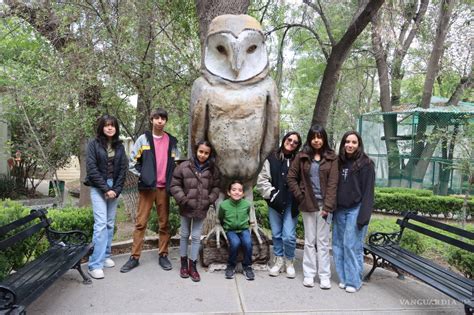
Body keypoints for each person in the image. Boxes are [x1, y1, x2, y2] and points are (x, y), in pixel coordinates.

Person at [120, 108, 178, 273]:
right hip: (147, 188)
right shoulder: (143, 139)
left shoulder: (172, 141)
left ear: (166, 121)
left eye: (163, 118)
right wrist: (144, 176)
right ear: (152, 119)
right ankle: (134, 257)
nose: (160, 121)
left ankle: (163, 255)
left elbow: (175, 164)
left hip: (163, 189)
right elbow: (133, 162)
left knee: (164, 224)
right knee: (140, 223)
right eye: (157, 118)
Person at [287, 125, 338, 289]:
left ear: (324, 138)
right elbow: (291, 177)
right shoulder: (302, 156)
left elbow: (333, 184)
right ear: (310, 139)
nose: (317, 140)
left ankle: (324, 276)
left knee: (323, 242)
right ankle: (309, 274)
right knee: (309, 241)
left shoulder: (332, 158)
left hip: (325, 206)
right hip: (308, 204)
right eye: (314, 137)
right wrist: (301, 196)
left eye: (320, 137)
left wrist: (328, 206)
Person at [170, 140, 220, 282]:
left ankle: (193, 265)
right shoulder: (184, 166)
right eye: (200, 151)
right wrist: (183, 199)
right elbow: (174, 184)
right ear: (195, 151)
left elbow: (216, 187)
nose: (203, 155)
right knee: (185, 234)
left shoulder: (212, 169)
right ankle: (183, 263)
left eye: (206, 153)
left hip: (201, 207)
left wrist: (209, 199)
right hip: (186, 206)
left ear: (209, 154)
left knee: (197, 236)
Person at [84, 114, 128, 279]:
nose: (110, 128)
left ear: (116, 128)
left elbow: (123, 169)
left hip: (114, 187)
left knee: (109, 223)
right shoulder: (93, 145)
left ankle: (106, 255)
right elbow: (91, 169)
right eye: (106, 125)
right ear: (101, 127)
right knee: (101, 224)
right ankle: (95, 264)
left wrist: (116, 189)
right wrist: (105, 189)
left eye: (113, 125)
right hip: (98, 187)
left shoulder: (120, 146)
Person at [332, 131, 375, 293]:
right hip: (339, 210)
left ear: (359, 144)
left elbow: (368, 193)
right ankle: (344, 278)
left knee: (352, 246)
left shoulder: (366, 164)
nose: (350, 145)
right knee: (337, 245)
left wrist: (364, 216)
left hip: (356, 209)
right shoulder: (339, 162)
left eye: (354, 142)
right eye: (347, 142)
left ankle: (354, 281)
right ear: (343, 144)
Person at [256, 131, 302, 278]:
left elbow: (304, 181)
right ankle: (278, 259)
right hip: (275, 202)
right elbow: (262, 180)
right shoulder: (272, 158)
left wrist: (300, 196)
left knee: (288, 235)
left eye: (295, 142)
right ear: (284, 140)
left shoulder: (299, 160)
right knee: (276, 233)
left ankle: (289, 260)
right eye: (290, 139)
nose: (291, 143)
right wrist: (272, 195)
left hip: (292, 203)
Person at [218, 180, 255, 281]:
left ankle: (247, 266)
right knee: (235, 243)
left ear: (243, 193)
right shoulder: (223, 205)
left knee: (248, 243)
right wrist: (224, 226)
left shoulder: (246, 204)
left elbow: (248, 214)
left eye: (240, 190)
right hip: (230, 230)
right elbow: (220, 217)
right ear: (229, 192)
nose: (237, 192)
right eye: (234, 190)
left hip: (243, 229)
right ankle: (231, 265)